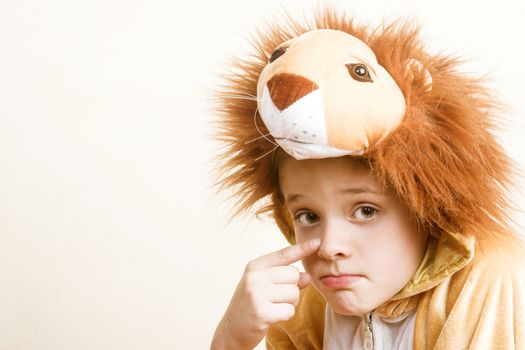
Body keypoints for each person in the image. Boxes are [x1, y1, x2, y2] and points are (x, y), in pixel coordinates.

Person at [211, 7, 525, 350]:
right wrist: (232, 340)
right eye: (308, 216)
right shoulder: (307, 307)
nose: (330, 247)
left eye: (365, 210)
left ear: (427, 209)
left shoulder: (492, 282)